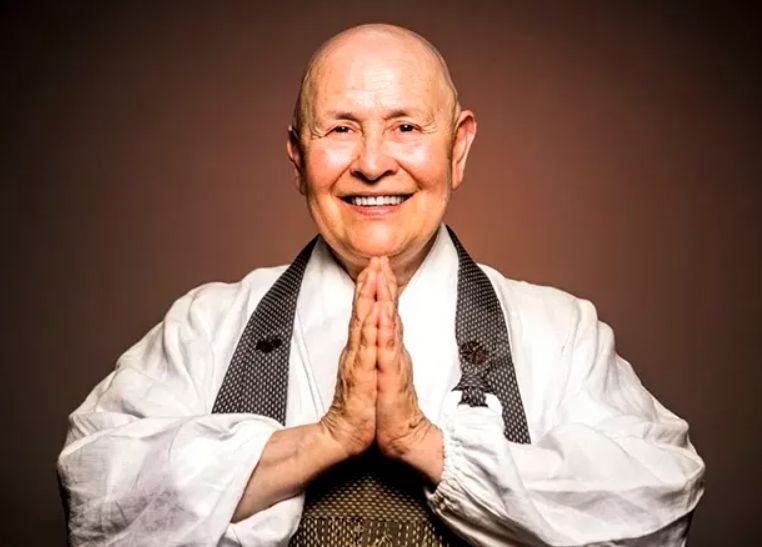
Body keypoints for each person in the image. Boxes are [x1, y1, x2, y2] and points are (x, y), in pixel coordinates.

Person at [57, 23, 705, 546]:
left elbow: (659, 504)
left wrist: (422, 443)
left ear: (458, 148)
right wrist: (323, 439)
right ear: (297, 158)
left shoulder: (558, 333)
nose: (372, 163)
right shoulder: (206, 326)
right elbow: (97, 496)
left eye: (406, 127)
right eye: (340, 128)